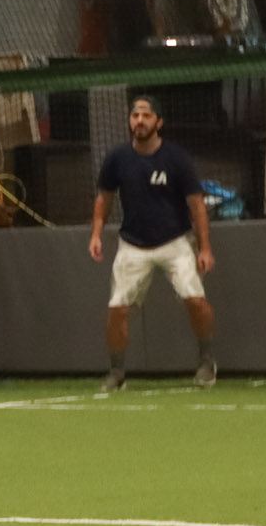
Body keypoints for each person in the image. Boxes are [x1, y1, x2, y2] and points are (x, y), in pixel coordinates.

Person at [90, 95, 217, 392]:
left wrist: (205, 248)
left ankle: (207, 362)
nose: (140, 121)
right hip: (132, 245)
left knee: (195, 300)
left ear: (159, 122)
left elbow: (197, 205)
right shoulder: (117, 158)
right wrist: (96, 234)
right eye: (135, 115)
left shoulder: (176, 158)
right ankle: (116, 372)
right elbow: (104, 199)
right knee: (117, 308)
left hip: (176, 242)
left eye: (146, 116)